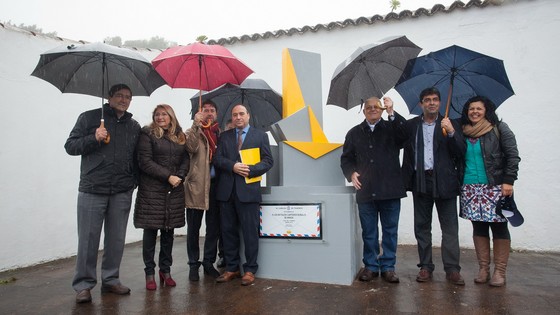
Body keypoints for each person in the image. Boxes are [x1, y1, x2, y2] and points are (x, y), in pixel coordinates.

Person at [65, 84, 141, 303]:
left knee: (116, 239)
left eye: (127, 97)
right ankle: (84, 285)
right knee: (88, 240)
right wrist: (93, 137)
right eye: (119, 95)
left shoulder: (133, 126)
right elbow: (70, 146)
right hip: (92, 188)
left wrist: (132, 182)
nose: (123, 100)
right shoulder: (89, 119)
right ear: (109, 97)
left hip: (121, 190)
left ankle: (111, 279)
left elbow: (136, 157)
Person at [402, 87, 467, 285]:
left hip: (445, 182)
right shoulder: (412, 125)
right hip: (421, 180)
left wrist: (452, 132)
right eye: (427, 100)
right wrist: (389, 112)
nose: (431, 103)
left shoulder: (450, 123)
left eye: (435, 99)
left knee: (449, 228)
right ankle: (425, 266)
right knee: (422, 226)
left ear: (440, 102)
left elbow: (461, 152)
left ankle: (452, 269)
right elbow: (397, 138)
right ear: (421, 104)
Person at [340, 96, 408, 284]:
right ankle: (370, 266)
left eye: (376, 107)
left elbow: (404, 136)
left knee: (390, 231)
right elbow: (346, 159)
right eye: (368, 107)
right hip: (366, 190)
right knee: (369, 232)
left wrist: (392, 112)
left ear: (381, 109)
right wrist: (351, 173)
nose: (372, 109)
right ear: (364, 111)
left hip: (390, 189)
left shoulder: (391, 128)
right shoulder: (354, 133)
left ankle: (388, 267)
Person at [459, 96, 520, 286]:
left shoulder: (499, 128)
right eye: (471, 109)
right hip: (470, 188)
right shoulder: (463, 132)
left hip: (495, 187)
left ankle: (499, 271)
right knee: (478, 227)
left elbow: (513, 156)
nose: (474, 112)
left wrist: (508, 181)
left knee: (499, 227)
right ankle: (483, 269)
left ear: (487, 110)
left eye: (478, 109)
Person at [213, 104, 273, 286]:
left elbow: (268, 161)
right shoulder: (224, 137)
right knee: (228, 232)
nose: (238, 117)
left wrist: (250, 170)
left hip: (248, 193)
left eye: (241, 114)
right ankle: (232, 268)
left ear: (248, 116)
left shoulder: (260, 136)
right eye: (234, 115)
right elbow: (217, 159)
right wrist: (232, 166)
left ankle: (250, 269)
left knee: (250, 233)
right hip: (226, 193)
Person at [134, 104, 189, 290]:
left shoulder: (180, 136)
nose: (160, 117)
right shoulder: (148, 134)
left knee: (168, 232)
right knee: (150, 232)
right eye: (157, 114)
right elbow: (145, 162)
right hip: (152, 191)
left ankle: (165, 271)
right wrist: (168, 176)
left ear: (171, 116)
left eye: (163, 114)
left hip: (174, 190)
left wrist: (179, 176)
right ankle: (149, 273)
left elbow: (185, 159)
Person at [184, 100, 222, 281]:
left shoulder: (220, 133)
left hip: (215, 186)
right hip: (197, 185)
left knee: (213, 228)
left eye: (212, 110)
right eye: (205, 110)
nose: (208, 113)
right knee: (193, 227)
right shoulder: (193, 132)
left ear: (216, 114)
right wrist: (195, 125)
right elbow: (189, 147)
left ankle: (208, 262)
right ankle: (193, 264)